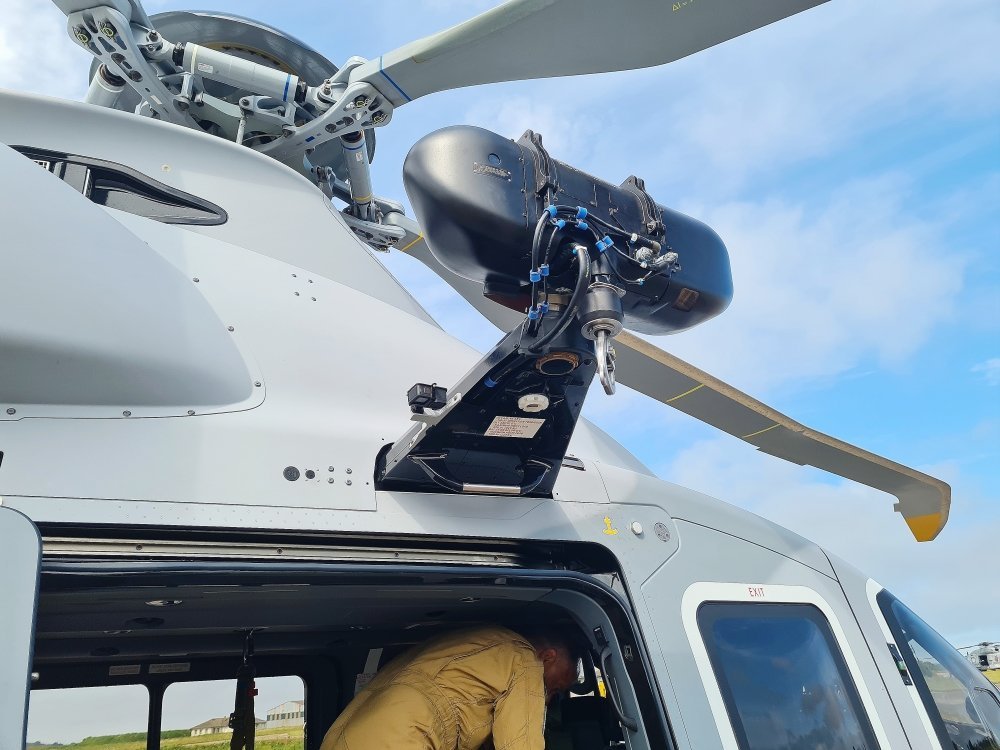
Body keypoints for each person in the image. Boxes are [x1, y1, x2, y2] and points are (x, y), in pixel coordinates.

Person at [319, 624, 583, 750]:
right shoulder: (525, 659)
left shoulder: (478, 641)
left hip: (342, 735)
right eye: (553, 688)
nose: (547, 698)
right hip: (400, 739)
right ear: (548, 657)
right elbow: (519, 744)